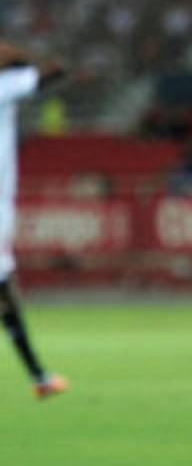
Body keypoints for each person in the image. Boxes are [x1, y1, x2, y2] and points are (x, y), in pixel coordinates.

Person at [0, 41, 68, 399]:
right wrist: (18, 53)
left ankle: (39, 376)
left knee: (3, 287)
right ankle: (39, 376)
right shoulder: (5, 86)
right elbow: (56, 70)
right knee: (3, 286)